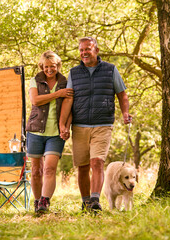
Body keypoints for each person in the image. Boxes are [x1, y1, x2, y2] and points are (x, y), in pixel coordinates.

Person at [59, 37, 132, 212]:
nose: (84, 53)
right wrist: (63, 125)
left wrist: (125, 113)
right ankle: (85, 203)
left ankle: (95, 200)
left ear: (96, 50)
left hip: (103, 124)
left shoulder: (110, 70)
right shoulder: (74, 73)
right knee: (82, 167)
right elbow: (68, 100)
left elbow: (122, 95)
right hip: (80, 125)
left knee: (97, 162)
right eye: (81, 50)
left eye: (88, 49)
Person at [26, 50, 73, 214]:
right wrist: (57, 94)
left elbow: (70, 107)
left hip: (55, 134)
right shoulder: (35, 81)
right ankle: (37, 201)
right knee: (36, 171)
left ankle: (45, 202)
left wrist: (66, 126)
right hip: (35, 131)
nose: (49, 70)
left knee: (50, 169)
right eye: (46, 67)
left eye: (52, 66)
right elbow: (35, 100)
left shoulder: (66, 82)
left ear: (58, 66)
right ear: (42, 66)